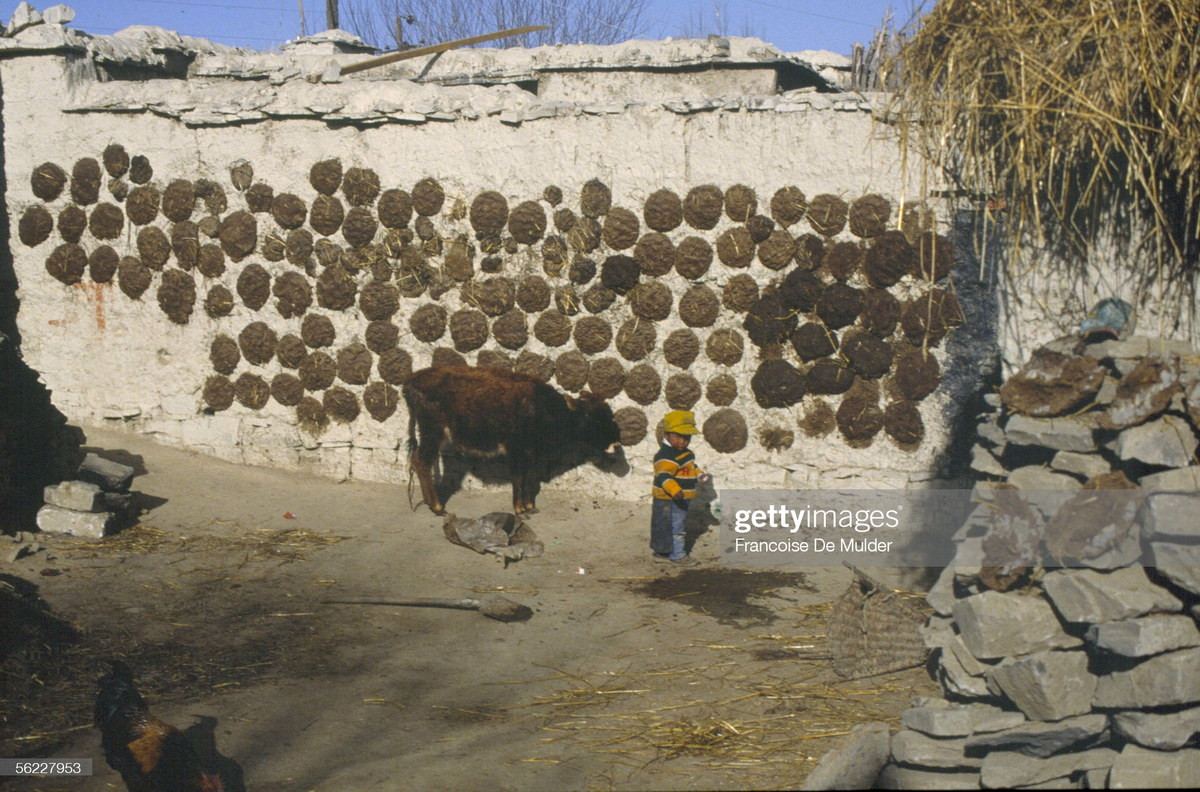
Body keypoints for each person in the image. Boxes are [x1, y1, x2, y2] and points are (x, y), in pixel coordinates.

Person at [650, 410, 709, 565]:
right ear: (666, 435)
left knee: (664, 525)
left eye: (686, 437)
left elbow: (691, 467)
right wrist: (675, 490)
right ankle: (677, 555)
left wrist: (700, 475)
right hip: (670, 498)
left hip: (681, 497)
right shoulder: (666, 455)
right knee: (675, 527)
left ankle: (663, 551)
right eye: (678, 436)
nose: (682, 441)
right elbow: (663, 475)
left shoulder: (686, 453)